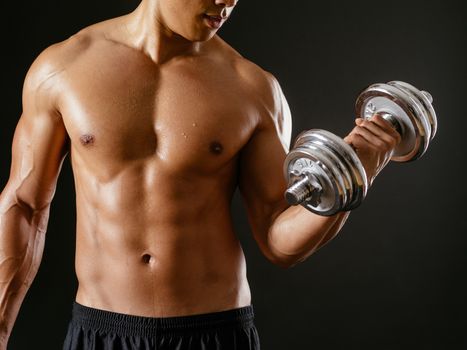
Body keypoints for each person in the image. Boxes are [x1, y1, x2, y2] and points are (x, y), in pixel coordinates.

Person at [0, 0, 401, 349]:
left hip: (214, 332)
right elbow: (24, 206)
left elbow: (280, 241)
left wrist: (352, 175)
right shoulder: (64, 69)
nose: (226, 1)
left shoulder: (253, 89)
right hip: (102, 331)